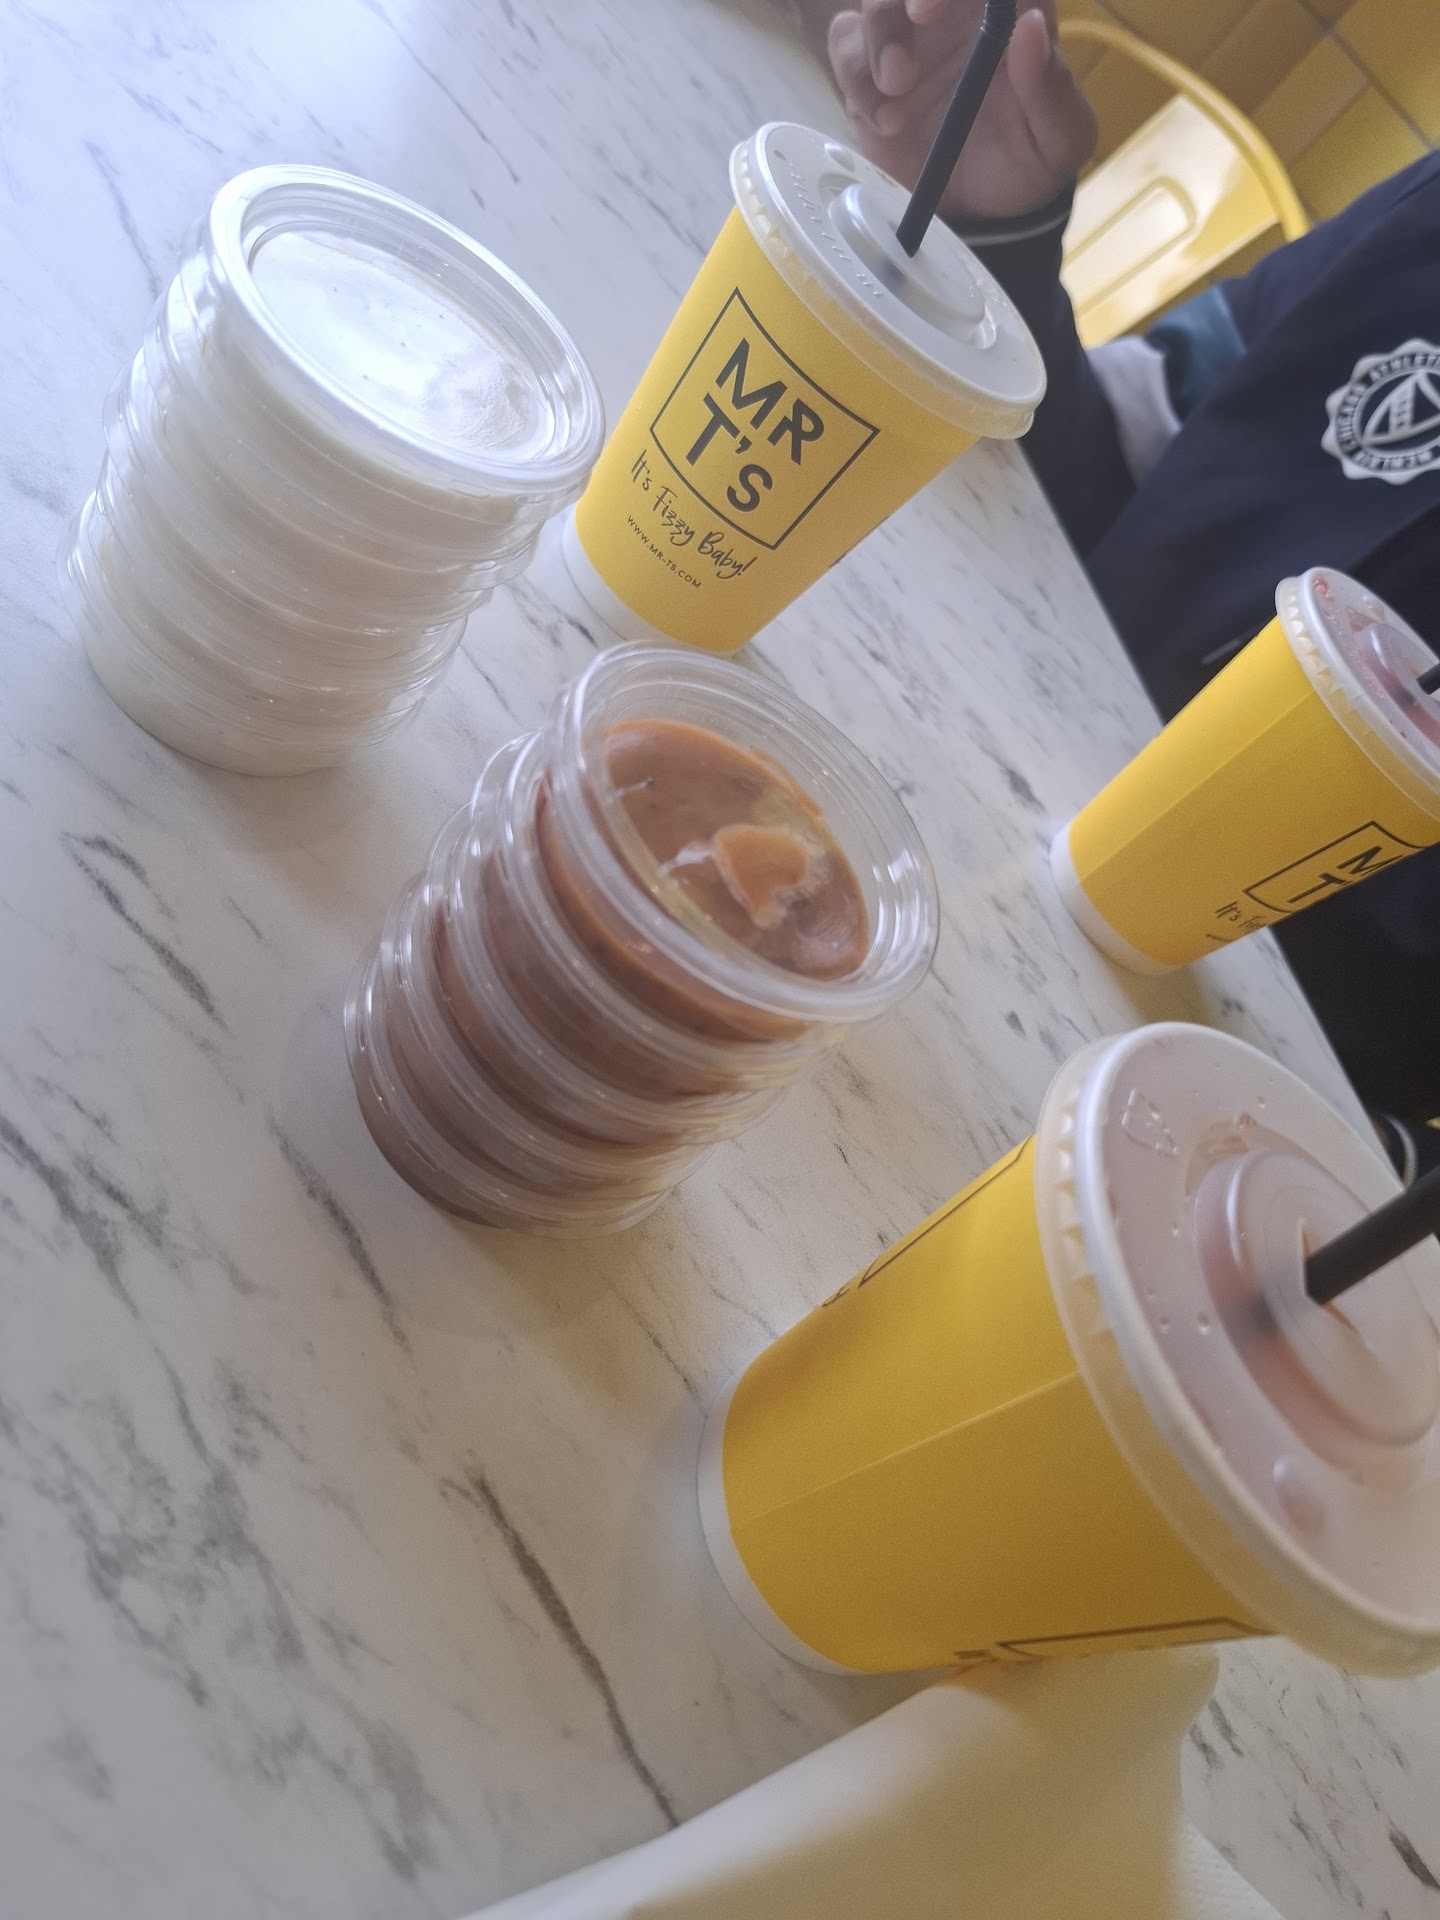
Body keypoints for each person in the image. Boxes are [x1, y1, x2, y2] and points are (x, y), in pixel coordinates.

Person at [827, 0, 1440, 1179]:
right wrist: (997, 236)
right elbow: (1117, 444)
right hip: (943, 765)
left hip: (1188, 1132)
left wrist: (1357, 1181)